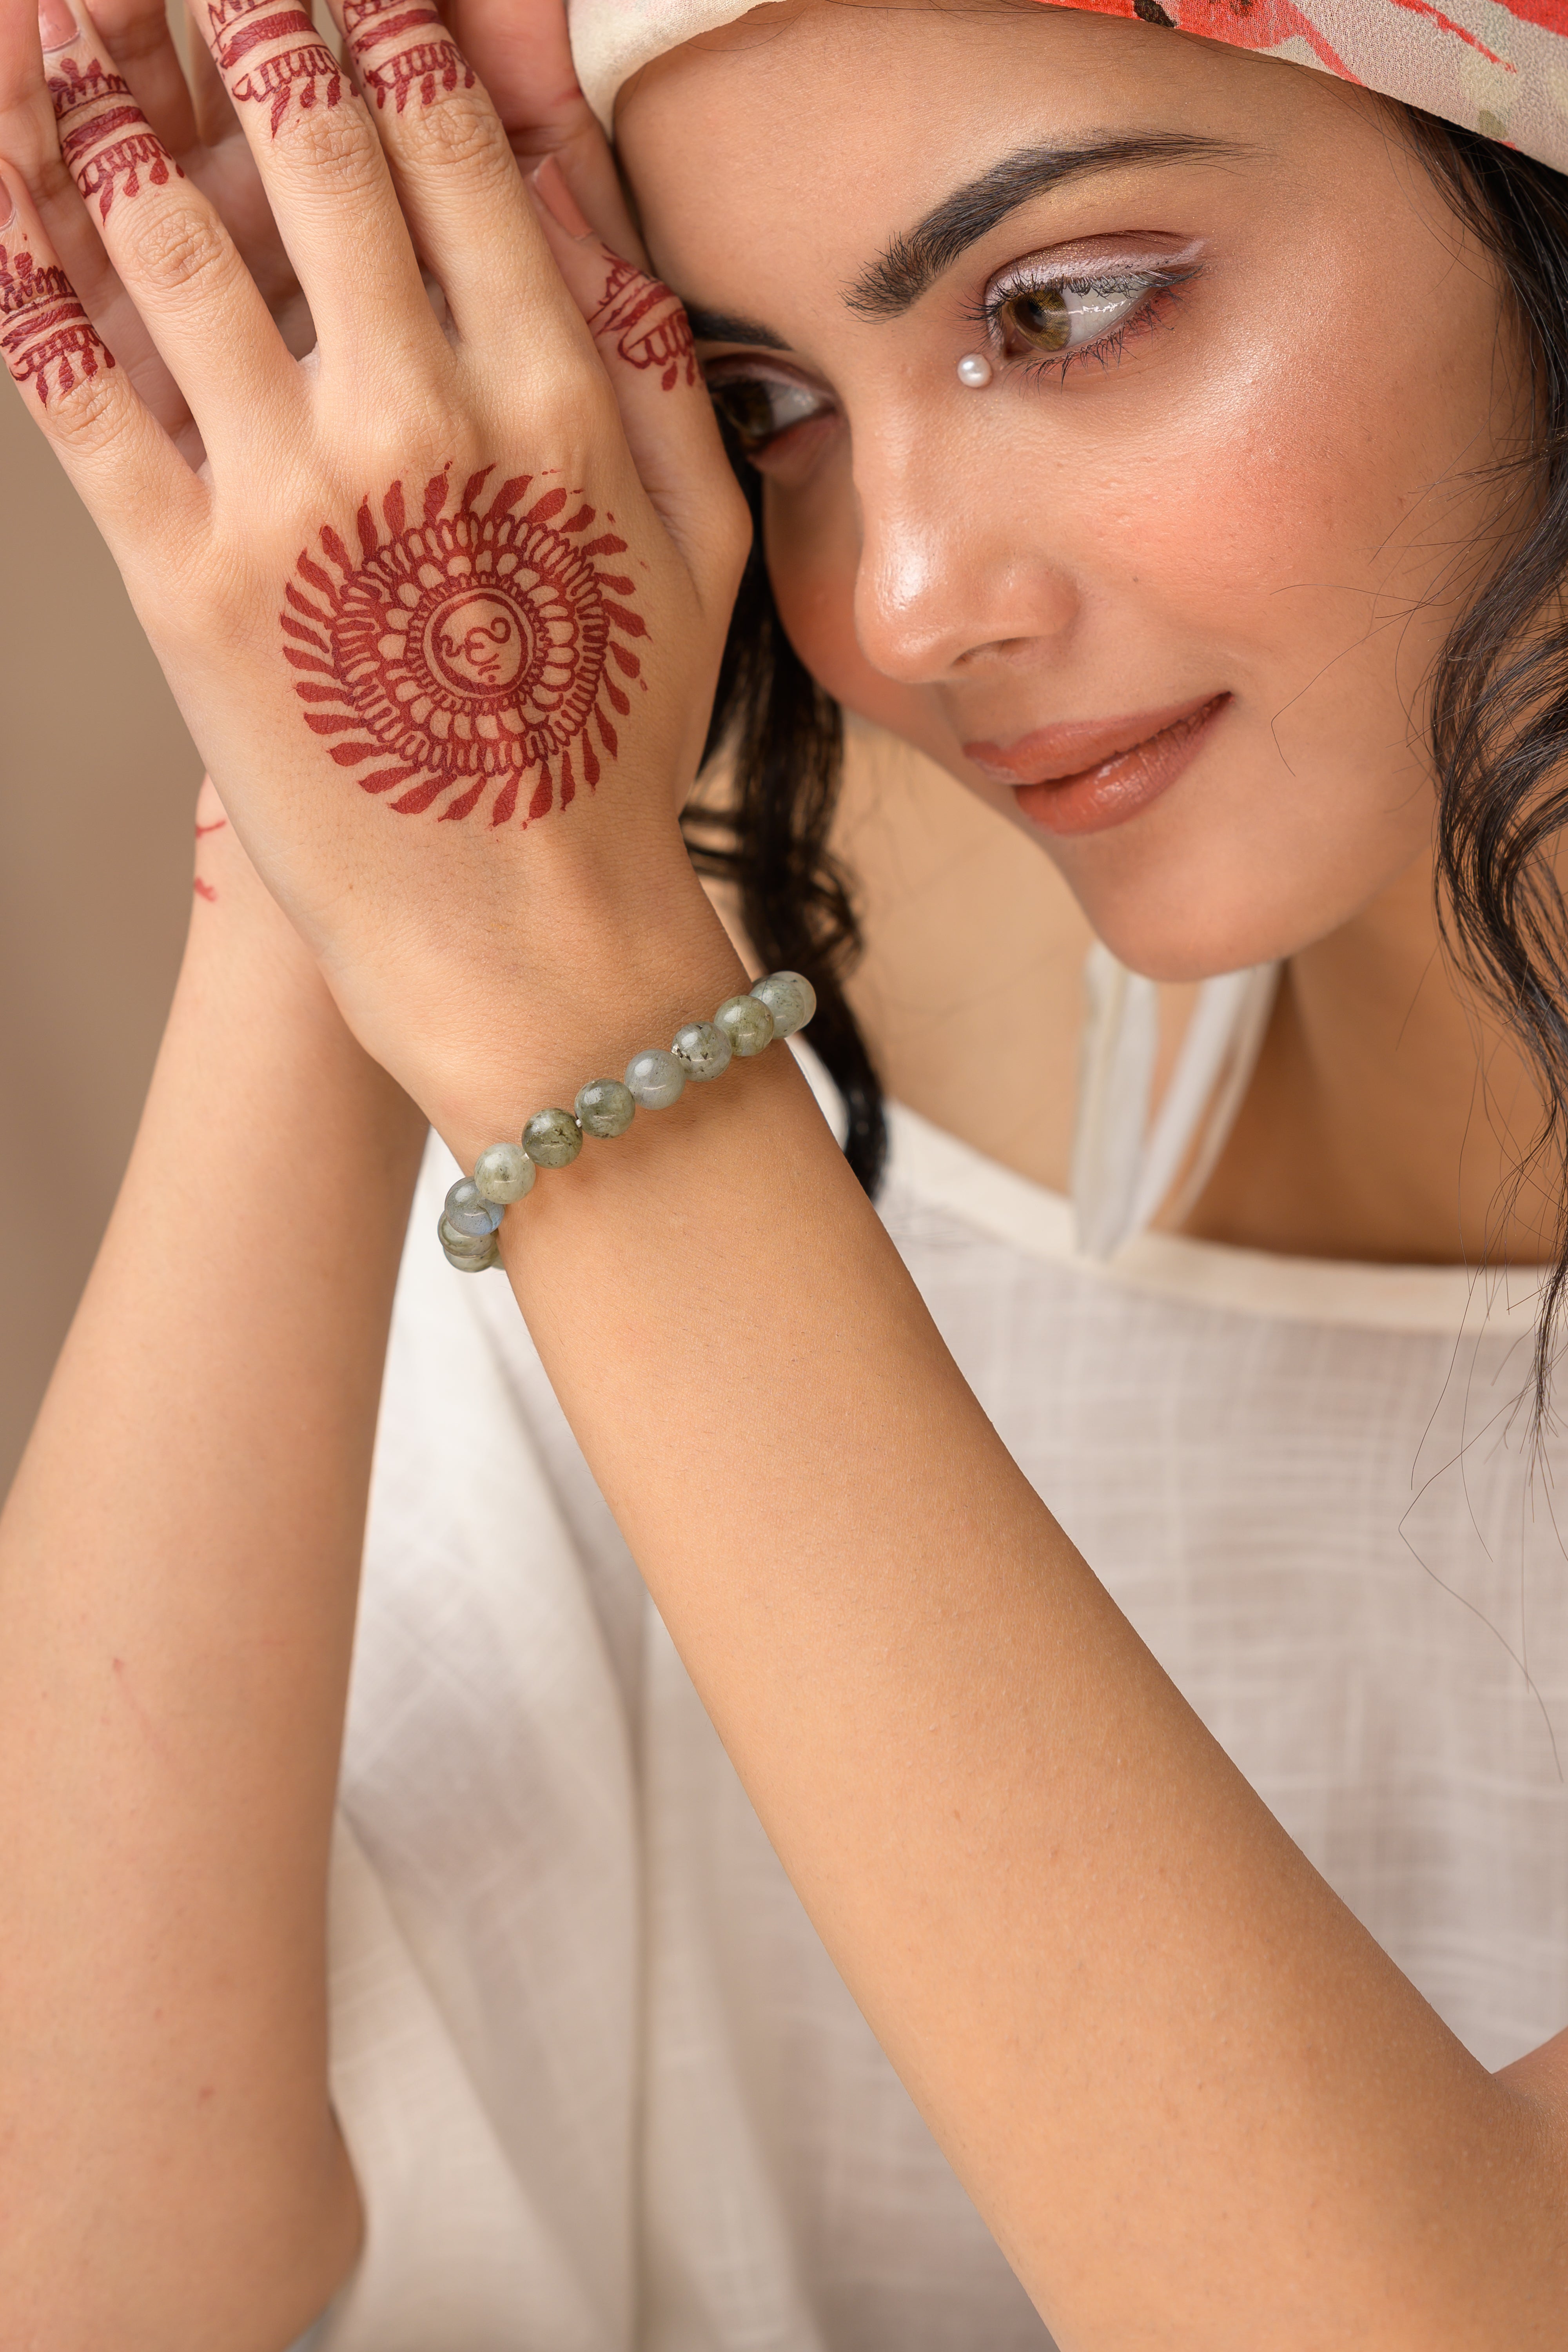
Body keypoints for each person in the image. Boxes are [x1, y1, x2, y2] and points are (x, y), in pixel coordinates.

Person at [2, 0, 1567, 2342]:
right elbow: (83, 2258)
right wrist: (342, 700)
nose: (901, 604)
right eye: (759, 404)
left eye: (1063, 311)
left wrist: (578, 1015)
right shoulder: (803, 1069)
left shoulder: (655, 1072)